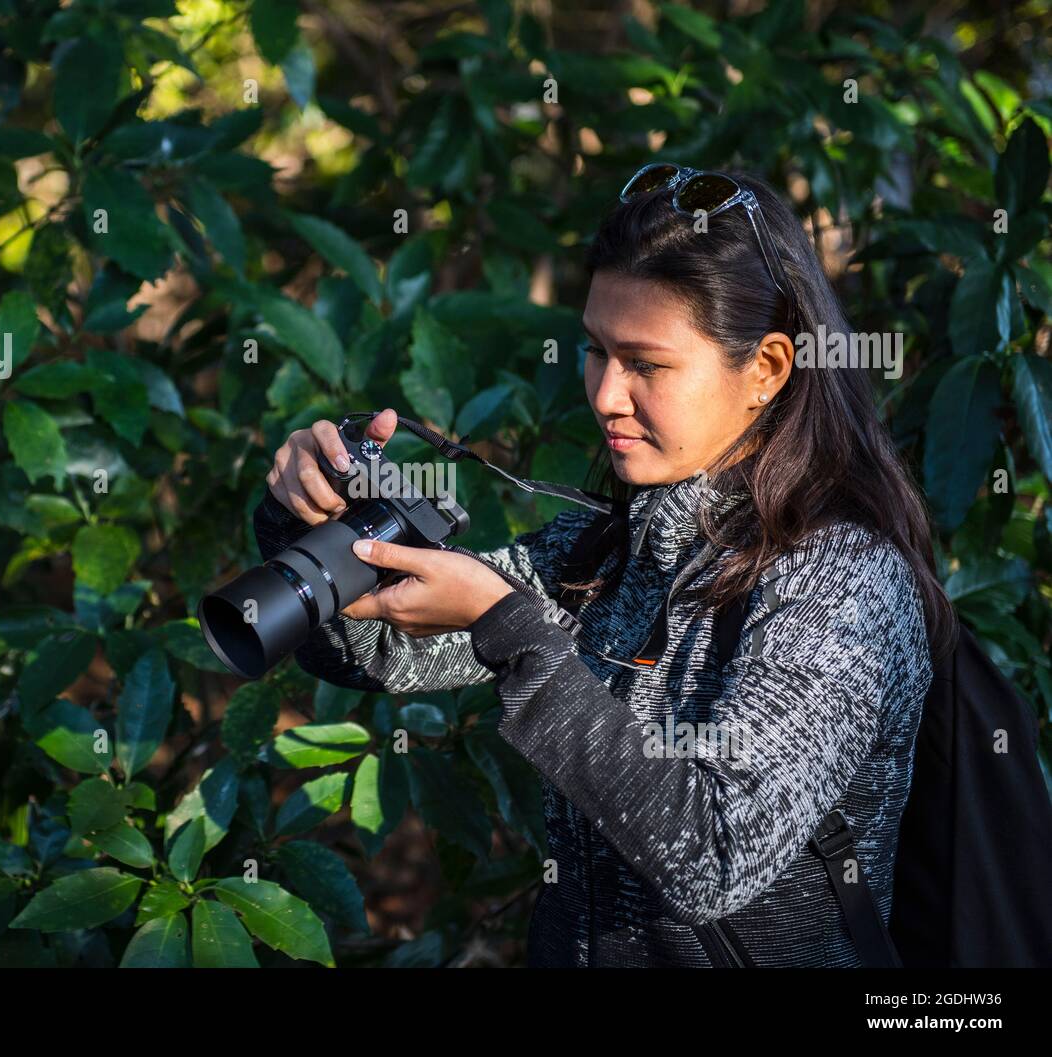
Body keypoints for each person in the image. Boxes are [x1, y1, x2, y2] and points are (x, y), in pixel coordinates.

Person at [251, 166, 955, 967]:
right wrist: (312, 523)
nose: (606, 394)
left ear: (765, 368)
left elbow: (716, 851)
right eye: (595, 350)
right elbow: (382, 651)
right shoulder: (609, 545)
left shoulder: (844, 582)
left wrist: (512, 630)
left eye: (646, 363)